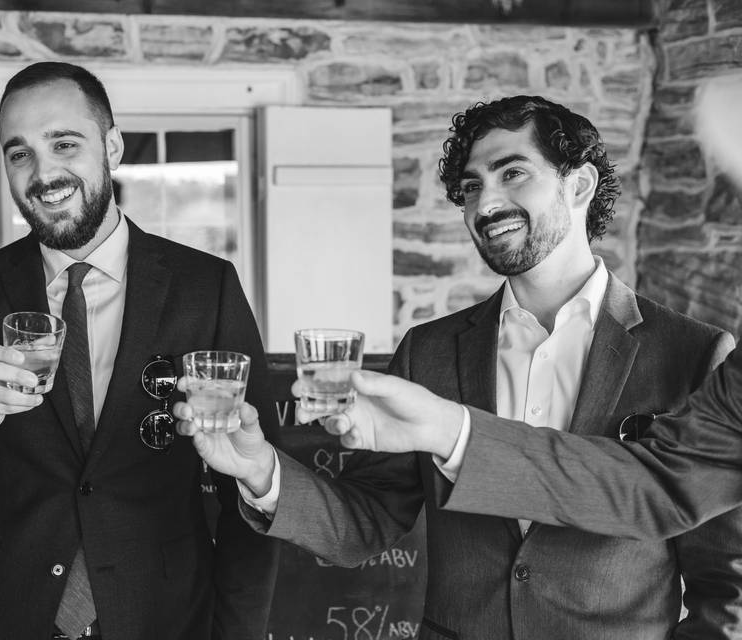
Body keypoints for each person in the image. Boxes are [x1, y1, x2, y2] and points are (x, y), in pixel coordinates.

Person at [176, 96, 742, 639]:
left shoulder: (692, 353)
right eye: (471, 187)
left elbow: (729, 586)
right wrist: (259, 470)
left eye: (512, 173)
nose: (485, 204)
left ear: (580, 184)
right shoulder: (429, 351)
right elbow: (365, 522)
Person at [0, 61, 279, 640]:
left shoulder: (207, 287)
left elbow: (254, 481)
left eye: (64, 143)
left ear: (112, 146)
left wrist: (239, 633)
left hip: (163, 613)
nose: (43, 174)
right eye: (19, 154)